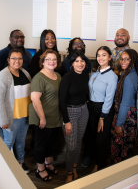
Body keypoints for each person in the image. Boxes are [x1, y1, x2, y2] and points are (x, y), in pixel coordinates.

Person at [0, 49, 31, 173]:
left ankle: (21, 162)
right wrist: (3, 119)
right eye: (14, 58)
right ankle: (4, 167)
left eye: (19, 58)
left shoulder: (25, 73)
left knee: (21, 141)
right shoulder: (3, 76)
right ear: (8, 60)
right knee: (7, 143)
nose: (17, 61)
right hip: (11, 117)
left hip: (24, 115)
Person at [29, 49, 62, 182]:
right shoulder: (39, 77)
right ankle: (40, 168)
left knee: (50, 143)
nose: (51, 62)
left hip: (54, 116)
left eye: (54, 59)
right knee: (41, 144)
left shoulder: (57, 75)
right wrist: (42, 118)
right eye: (48, 59)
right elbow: (35, 99)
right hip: (42, 117)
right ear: (43, 62)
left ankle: (48, 163)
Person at [59, 51, 89, 183]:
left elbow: (85, 93)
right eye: (76, 61)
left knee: (78, 143)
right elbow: (62, 101)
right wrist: (67, 121)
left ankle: (74, 167)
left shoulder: (85, 75)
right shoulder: (67, 77)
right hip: (70, 113)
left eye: (82, 60)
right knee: (71, 146)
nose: (80, 63)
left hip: (84, 111)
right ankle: (69, 172)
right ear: (72, 63)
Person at [88, 46, 118, 171]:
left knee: (101, 141)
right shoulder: (94, 73)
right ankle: (96, 162)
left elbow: (109, 98)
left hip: (104, 110)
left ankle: (100, 167)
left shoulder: (112, 76)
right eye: (98, 55)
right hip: (92, 108)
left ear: (110, 57)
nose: (100, 58)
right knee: (92, 138)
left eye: (104, 55)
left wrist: (102, 116)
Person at [111, 49, 138, 164]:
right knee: (123, 148)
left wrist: (119, 124)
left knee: (121, 150)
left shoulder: (129, 77)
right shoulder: (127, 73)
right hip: (125, 114)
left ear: (133, 61)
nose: (123, 61)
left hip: (125, 117)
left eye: (126, 59)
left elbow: (125, 103)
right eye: (122, 59)